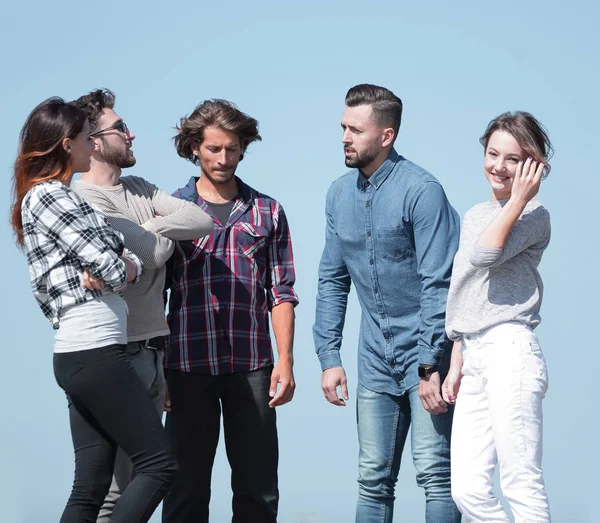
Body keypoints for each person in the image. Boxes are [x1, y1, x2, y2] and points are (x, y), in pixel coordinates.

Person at [10, 97, 177, 523]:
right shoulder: (52, 197)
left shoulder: (52, 197)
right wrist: (130, 264)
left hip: (83, 352)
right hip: (95, 351)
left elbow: (110, 260)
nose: (93, 145)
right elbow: (109, 264)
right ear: (67, 144)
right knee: (159, 466)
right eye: (88, 139)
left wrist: (121, 260)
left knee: (91, 485)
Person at [313, 84, 461, 523]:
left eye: (355, 130)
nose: (344, 137)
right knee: (372, 480)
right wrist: (328, 356)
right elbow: (332, 279)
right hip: (375, 361)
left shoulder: (423, 191)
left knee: (436, 474)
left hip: (428, 359)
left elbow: (440, 283)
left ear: (386, 135)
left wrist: (430, 364)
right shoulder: (337, 195)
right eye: (343, 127)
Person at [69, 88, 214, 523]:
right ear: (92, 140)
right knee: (112, 489)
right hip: (116, 354)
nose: (131, 134)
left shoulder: (138, 188)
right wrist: (152, 239)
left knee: (138, 484)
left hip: (153, 350)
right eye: (119, 128)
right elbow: (151, 255)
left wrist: (146, 228)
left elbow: (201, 220)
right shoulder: (83, 200)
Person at [162, 99, 298, 523]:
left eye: (233, 149)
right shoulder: (170, 210)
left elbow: (281, 291)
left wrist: (286, 361)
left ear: (243, 149)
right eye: (214, 149)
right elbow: (153, 295)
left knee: (258, 492)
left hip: (252, 367)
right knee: (184, 492)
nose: (224, 159)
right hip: (185, 367)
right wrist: (155, 371)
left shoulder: (267, 211)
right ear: (194, 149)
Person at [442, 111, 553, 522]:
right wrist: (457, 361)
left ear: (532, 165)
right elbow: (466, 293)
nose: (498, 167)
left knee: (521, 480)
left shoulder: (534, 215)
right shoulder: (474, 214)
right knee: (467, 490)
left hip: (511, 349)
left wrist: (519, 198)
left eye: (512, 159)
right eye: (492, 154)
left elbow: (486, 254)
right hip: (473, 355)